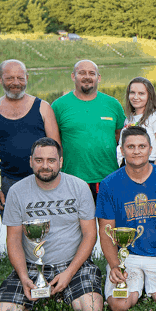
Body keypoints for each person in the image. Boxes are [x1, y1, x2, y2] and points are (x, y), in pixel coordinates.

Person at [0, 138, 103, 311]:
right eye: (39, 160)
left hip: (73, 264)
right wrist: (23, 276)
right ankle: (45, 290)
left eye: (51, 160)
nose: (45, 166)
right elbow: (13, 240)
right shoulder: (17, 191)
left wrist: (69, 273)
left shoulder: (79, 187)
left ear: (60, 162)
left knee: (91, 310)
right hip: (31, 266)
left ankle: (62, 289)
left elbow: (90, 235)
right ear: (30, 161)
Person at [97, 127, 156, 311]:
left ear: (151, 149)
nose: (136, 151)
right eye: (131, 146)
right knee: (119, 305)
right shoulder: (108, 184)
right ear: (121, 150)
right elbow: (105, 232)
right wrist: (114, 265)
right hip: (127, 256)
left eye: (142, 146)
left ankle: (145, 286)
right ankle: (136, 284)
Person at [0, 59, 60, 213]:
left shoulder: (43, 107)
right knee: (14, 232)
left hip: (44, 180)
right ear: (0, 78)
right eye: (10, 78)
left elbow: (56, 147)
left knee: (48, 231)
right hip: (10, 182)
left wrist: (55, 182)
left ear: (27, 78)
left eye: (20, 78)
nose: (15, 83)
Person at [51, 59, 125, 209]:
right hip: (72, 179)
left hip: (107, 178)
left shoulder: (113, 104)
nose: (87, 77)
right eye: (81, 73)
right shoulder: (59, 106)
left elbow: (119, 136)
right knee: (77, 229)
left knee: (109, 227)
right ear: (73, 76)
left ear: (99, 77)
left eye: (92, 73)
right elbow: (54, 143)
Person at [120, 77, 156, 167]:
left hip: (148, 166)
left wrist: (153, 175)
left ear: (149, 96)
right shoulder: (129, 119)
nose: (135, 97)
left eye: (141, 93)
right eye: (132, 93)